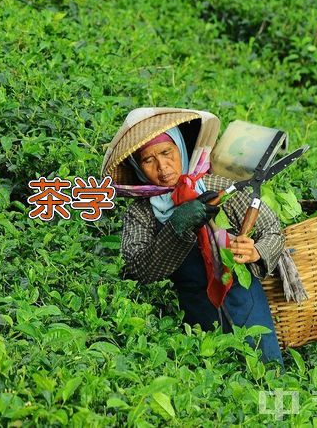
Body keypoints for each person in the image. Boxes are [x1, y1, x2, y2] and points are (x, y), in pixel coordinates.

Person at [115, 114, 285, 367]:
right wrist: (176, 226)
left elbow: (272, 229)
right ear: (138, 168)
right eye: (148, 160)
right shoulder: (141, 212)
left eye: (166, 152)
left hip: (247, 304)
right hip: (197, 316)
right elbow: (137, 269)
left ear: (180, 148)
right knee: (213, 385)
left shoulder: (217, 185)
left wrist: (256, 251)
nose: (162, 168)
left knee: (267, 374)